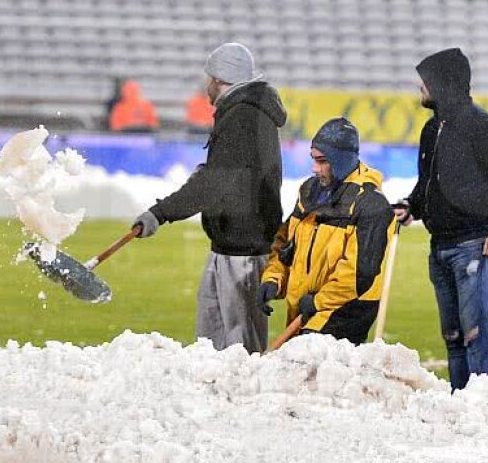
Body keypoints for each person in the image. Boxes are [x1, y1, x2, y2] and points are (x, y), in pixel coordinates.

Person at [132, 42, 286, 353]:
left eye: (209, 79)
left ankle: (242, 402)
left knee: (239, 351)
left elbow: (213, 183)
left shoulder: (242, 115)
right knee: (212, 345)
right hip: (230, 245)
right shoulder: (244, 112)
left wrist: (160, 213)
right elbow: (226, 174)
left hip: (243, 250)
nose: (206, 86)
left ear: (218, 79)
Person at [394, 47, 488, 390]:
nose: (420, 88)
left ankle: (487, 407)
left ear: (444, 83)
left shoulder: (481, 125)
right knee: (454, 338)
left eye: (425, 81)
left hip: (475, 248)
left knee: (476, 335)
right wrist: (413, 205)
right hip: (440, 248)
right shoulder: (431, 129)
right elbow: (430, 182)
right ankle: (461, 404)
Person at [260, 117, 395, 344]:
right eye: (313, 159)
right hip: (307, 307)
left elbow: (359, 275)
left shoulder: (371, 204)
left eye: (322, 161)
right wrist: (273, 279)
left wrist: (318, 302)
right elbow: (286, 244)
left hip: (344, 309)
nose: (315, 168)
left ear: (341, 160)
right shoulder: (309, 191)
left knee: (311, 372)